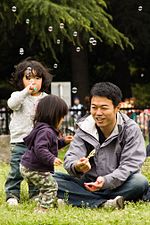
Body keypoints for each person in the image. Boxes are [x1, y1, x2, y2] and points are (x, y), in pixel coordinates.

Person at [54, 82, 149, 209]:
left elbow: (130, 165)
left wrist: (106, 181)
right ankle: (104, 203)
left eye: (104, 108)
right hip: (87, 184)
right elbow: (71, 157)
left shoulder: (130, 129)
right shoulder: (84, 127)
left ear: (117, 108)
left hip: (119, 184)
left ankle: (85, 200)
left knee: (139, 182)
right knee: (49, 178)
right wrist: (77, 166)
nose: (98, 113)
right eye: (94, 107)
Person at [5, 58, 73, 206]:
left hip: (39, 142)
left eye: (37, 78)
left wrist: (59, 139)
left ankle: (35, 194)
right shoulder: (19, 96)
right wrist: (25, 91)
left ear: (43, 80)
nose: (33, 82)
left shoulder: (46, 99)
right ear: (21, 80)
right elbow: (12, 104)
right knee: (17, 170)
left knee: (37, 168)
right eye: (28, 78)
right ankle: (12, 195)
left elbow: (53, 118)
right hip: (20, 141)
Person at [20, 95, 68, 213]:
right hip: (34, 168)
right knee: (50, 186)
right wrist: (51, 159)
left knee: (44, 186)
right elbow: (40, 148)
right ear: (53, 115)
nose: (63, 120)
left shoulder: (44, 128)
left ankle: (43, 202)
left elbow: (51, 145)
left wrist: (64, 141)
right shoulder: (46, 131)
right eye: (61, 116)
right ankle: (42, 209)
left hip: (29, 166)